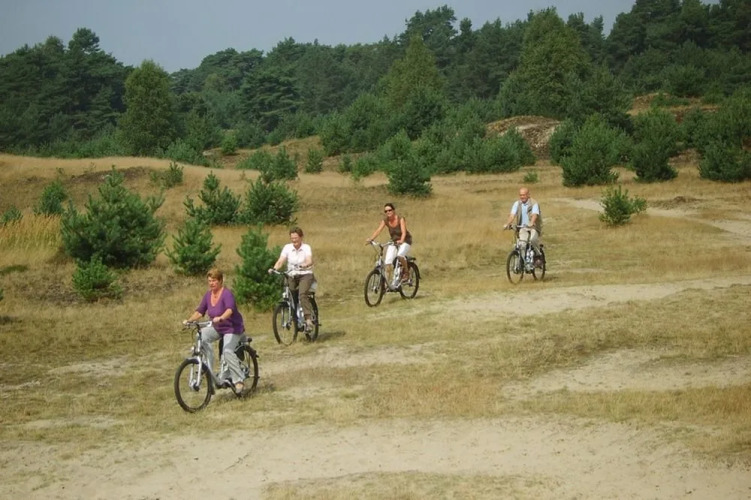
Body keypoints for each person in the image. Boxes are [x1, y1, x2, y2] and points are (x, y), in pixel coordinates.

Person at [184, 268, 246, 392]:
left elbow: (230, 309)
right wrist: (189, 320)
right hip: (218, 328)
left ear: (221, 281)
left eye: (214, 281)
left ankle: (238, 380)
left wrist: (222, 317)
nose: (211, 283)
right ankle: (208, 369)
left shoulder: (227, 294)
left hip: (232, 328)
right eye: (209, 281)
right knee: (201, 336)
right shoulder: (208, 295)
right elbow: (200, 311)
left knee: (227, 351)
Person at [269, 227, 316, 332]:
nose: (294, 240)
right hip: (292, 274)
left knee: (302, 294)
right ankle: (295, 316)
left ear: (301, 237)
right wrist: (274, 269)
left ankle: (308, 319)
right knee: (290, 295)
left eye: (296, 238)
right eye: (292, 238)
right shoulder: (287, 247)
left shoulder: (306, 247)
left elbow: (309, 260)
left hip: (305, 274)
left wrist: (305, 265)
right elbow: (281, 261)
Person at [366, 202, 412, 288]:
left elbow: (404, 232)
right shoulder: (385, 220)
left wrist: (402, 240)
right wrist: (371, 239)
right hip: (394, 242)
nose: (388, 212)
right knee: (388, 262)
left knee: (400, 255)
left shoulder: (400, 219)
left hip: (405, 241)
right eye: (386, 211)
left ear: (393, 210)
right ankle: (386, 284)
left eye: (390, 210)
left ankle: (406, 272)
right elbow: (378, 230)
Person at [504, 187, 543, 266]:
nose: (522, 197)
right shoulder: (517, 204)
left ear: (528, 195)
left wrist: (531, 223)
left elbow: (534, 215)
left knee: (533, 240)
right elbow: (512, 215)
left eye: (524, 195)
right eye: (521, 195)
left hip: (533, 227)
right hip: (522, 227)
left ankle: (538, 255)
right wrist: (508, 224)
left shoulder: (534, 203)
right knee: (522, 244)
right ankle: (523, 261)